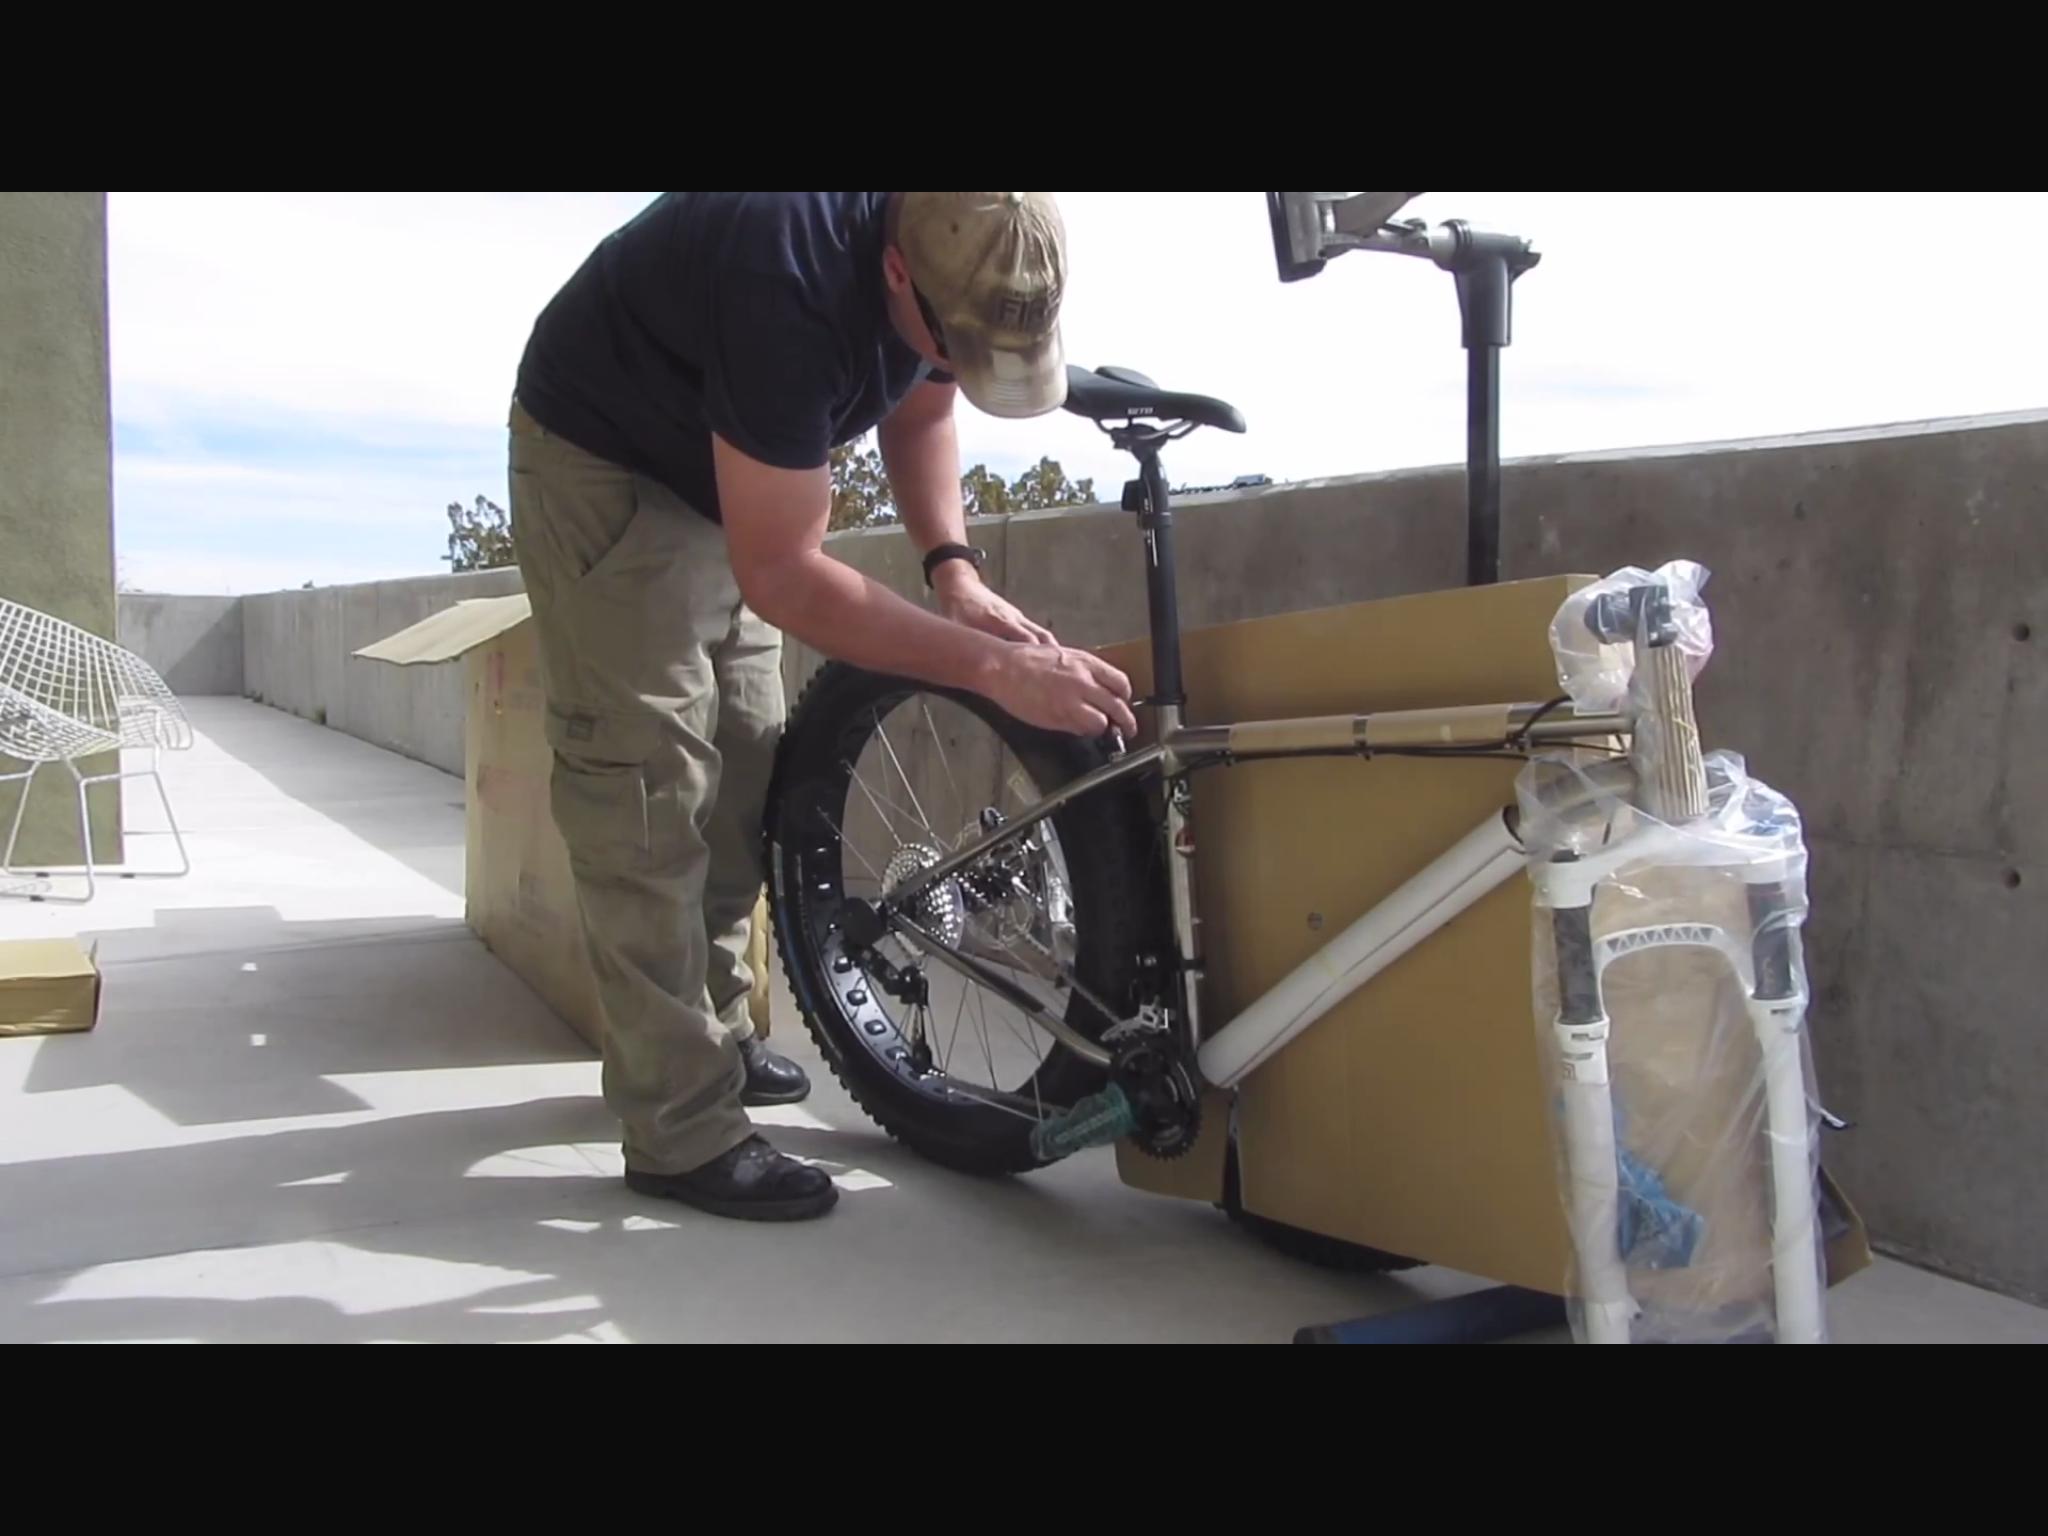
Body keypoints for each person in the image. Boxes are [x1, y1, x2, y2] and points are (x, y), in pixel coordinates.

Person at [509, 192, 1138, 1222]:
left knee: (746, 768)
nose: (958, 361)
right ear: (895, 275)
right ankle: (678, 1126)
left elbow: (924, 401)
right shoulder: (783, 276)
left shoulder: (959, 244)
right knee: (647, 790)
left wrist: (955, 571)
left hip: (730, 469)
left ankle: (710, 1034)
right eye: (954, 338)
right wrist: (987, 669)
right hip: (609, 461)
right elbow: (788, 576)